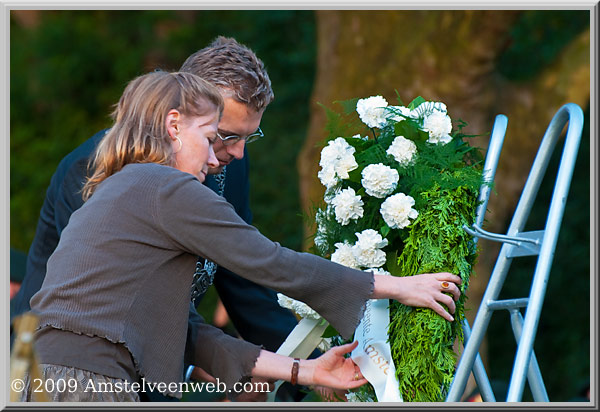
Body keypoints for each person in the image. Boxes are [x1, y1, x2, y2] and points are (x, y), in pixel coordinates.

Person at [21, 70, 462, 402]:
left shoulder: (117, 188)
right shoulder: (166, 187)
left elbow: (190, 331)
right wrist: (396, 286)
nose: (215, 158)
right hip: (86, 384)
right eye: (210, 138)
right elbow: (271, 263)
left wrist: (305, 372)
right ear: (174, 125)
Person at [10, 37, 302, 401]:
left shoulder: (228, 162)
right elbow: (126, 298)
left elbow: (243, 274)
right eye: (224, 136)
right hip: (56, 367)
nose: (237, 153)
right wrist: (237, 367)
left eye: (249, 137)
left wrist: (299, 371)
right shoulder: (96, 169)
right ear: (182, 116)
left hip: (151, 356)